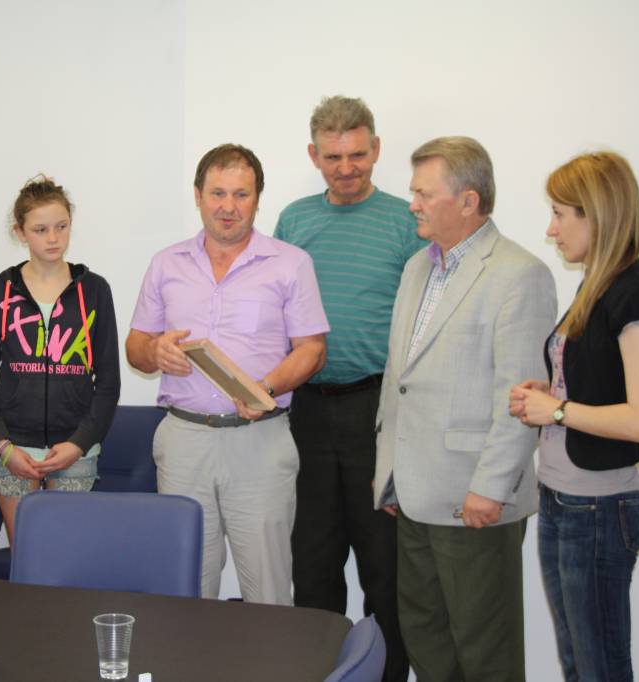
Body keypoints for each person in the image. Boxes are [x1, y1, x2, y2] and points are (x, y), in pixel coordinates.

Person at [373, 136, 557, 680]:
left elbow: (519, 396)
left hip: (473, 501)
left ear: (468, 201)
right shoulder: (416, 268)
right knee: (425, 640)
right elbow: (399, 379)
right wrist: (389, 473)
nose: (412, 204)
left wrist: (492, 487)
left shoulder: (519, 274)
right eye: (413, 192)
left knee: (485, 652)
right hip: (413, 496)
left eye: (424, 194)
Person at [127, 144, 329, 605]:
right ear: (198, 195)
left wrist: (265, 389)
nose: (228, 206)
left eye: (241, 194)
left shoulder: (290, 263)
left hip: (260, 441)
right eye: (217, 193)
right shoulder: (166, 263)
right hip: (184, 440)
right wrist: (156, 351)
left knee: (268, 590)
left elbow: (313, 351)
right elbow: (135, 348)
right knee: (186, 587)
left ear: (257, 199)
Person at [274, 95, 421, 681]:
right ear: (314, 156)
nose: (346, 167)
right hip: (305, 410)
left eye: (357, 154)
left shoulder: (407, 222)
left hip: (377, 413)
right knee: (312, 564)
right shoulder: (294, 220)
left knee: (385, 569)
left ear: (376, 149)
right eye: (333, 157)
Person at [510, 151, 639, 682]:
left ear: (596, 215)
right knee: (580, 664)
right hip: (563, 498)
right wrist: (552, 393)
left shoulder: (636, 292)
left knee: (599, 668)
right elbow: (600, 384)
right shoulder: (596, 285)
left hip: (597, 507)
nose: (550, 230)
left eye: (560, 214)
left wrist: (557, 409)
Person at [0, 174, 120, 545]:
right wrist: (3, 446)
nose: (53, 238)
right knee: (27, 554)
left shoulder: (94, 290)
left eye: (61, 227)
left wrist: (79, 444)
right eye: (40, 229)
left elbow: (109, 382)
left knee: (66, 555)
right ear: (20, 233)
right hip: (12, 448)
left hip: (75, 448)